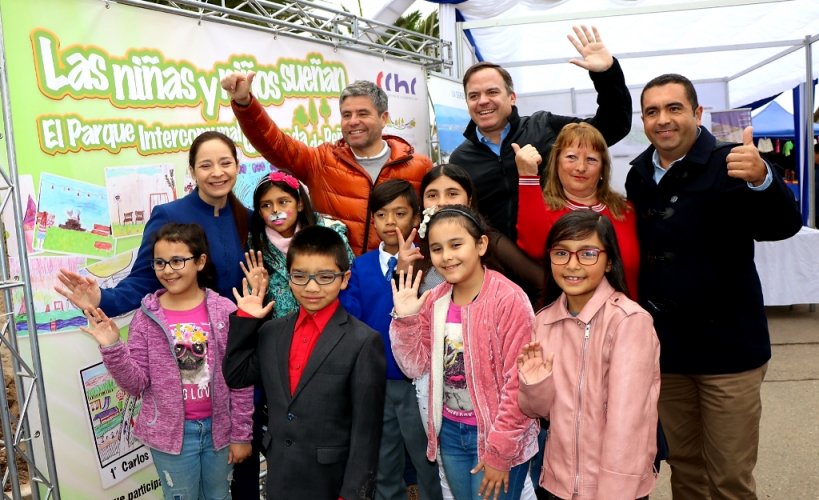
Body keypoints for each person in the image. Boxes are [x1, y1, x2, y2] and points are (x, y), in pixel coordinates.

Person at [55, 131, 264, 499]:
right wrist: (101, 297)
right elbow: (144, 280)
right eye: (206, 165)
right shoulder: (170, 216)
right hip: (185, 408)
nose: (217, 172)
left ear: (237, 166)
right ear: (192, 171)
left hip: (240, 361)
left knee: (242, 470)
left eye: (225, 163)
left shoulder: (246, 218)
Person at [626, 73, 802, 499]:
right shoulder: (639, 175)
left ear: (697, 113)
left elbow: (782, 226)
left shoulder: (733, 162)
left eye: (674, 108)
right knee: (686, 469)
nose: (663, 119)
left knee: (729, 477)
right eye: (652, 111)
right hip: (669, 353)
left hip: (729, 354)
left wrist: (763, 179)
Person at [80, 223, 254, 500]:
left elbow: (240, 380)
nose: (168, 270)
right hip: (172, 437)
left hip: (220, 431)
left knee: (219, 496)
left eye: (177, 261)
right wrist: (112, 346)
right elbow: (136, 384)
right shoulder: (145, 317)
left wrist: (241, 435)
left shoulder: (225, 311)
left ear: (200, 261)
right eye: (160, 263)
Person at [223, 225, 386, 499]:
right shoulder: (271, 332)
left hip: (330, 481)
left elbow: (366, 432)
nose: (311, 287)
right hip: (280, 474)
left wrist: (353, 493)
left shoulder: (363, 341)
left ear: (344, 279)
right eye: (300, 276)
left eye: (325, 277)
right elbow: (236, 375)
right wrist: (246, 320)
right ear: (288, 278)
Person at [390, 205, 539, 500]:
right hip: (450, 432)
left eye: (456, 245)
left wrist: (499, 452)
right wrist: (405, 318)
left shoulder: (509, 299)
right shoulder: (434, 299)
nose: (447, 256)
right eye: (437, 249)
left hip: (497, 435)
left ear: (480, 245)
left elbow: (519, 383)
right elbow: (414, 366)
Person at [517, 211, 660, 500]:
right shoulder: (544, 320)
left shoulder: (628, 321)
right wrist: (534, 384)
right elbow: (538, 413)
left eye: (588, 254)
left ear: (609, 261)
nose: (573, 265)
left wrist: (614, 493)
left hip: (615, 488)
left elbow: (628, 424)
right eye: (561, 253)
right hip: (558, 483)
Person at [450, 26, 632, 241]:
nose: (482, 101)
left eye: (492, 92)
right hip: (496, 258)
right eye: (473, 96)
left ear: (512, 97)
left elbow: (612, 127)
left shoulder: (545, 127)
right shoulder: (460, 160)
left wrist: (607, 74)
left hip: (559, 251)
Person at [221, 74, 431, 254]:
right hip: (334, 280)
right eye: (346, 115)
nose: (353, 121)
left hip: (403, 277)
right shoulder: (321, 161)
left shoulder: (419, 167)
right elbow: (274, 143)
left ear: (384, 118)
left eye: (363, 113)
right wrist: (245, 104)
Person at [339, 179, 443, 500]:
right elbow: (352, 315)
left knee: (426, 458)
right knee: (384, 459)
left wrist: (406, 272)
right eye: (382, 214)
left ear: (416, 218)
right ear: (372, 220)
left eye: (400, 213)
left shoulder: (431, 263)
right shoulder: (361, 265)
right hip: (375, 378)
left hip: (417, 380)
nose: (390, 222)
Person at [514, 123, 640, 299]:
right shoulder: (541, 209)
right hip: (566, 315)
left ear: (603, 169)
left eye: (591, 159)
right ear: (556, 164)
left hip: (626, 314)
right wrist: (527, 177)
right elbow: (535, 248)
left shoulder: (626, 211)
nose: (581, 167)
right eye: (571, 157)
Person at [249, 170, 354, 318]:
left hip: (331, 325)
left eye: (283, 202)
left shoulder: (330, 233)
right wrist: (261, 288)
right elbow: (254, 302)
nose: (275, 210)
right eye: (266, 205)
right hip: (282, 329)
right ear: (259, 212)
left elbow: (351, 284)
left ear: (299, 204)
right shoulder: (256, 246)